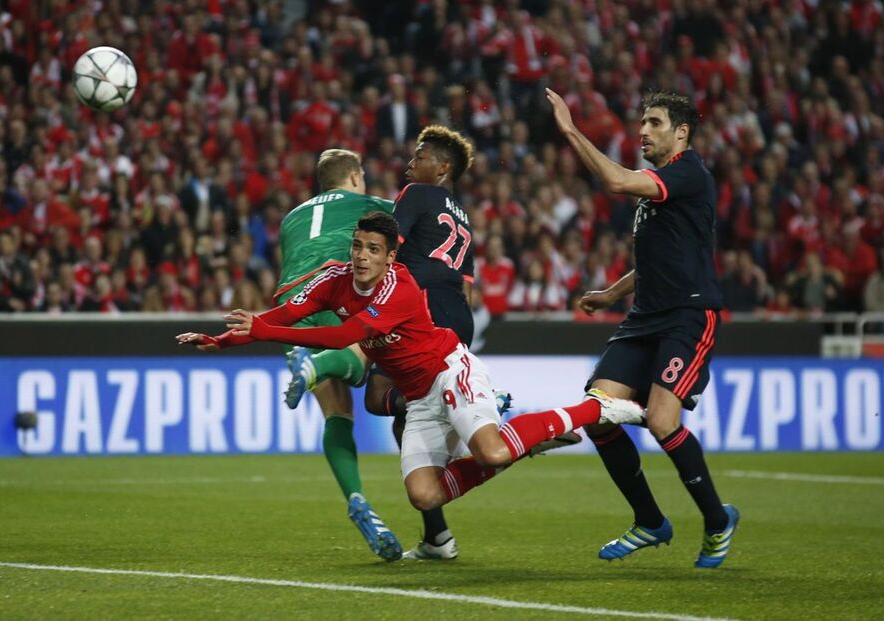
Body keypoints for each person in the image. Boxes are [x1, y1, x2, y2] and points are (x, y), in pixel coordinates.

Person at [178, 212, 646, 527]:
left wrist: (262, 330)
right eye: (357, 246)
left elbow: (344, 336)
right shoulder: (335, 279)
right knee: (424, 495)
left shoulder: (397, 289)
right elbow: (280, 316)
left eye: (372, 249)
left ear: (390, 257)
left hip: (449, 371)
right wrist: (222, 340)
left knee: (491, 451)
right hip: (419, 397)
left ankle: (595, 408)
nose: (361, 256)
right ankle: (519, 446)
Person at [178, 149, 403, 562]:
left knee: (337, 413)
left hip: (290, 303)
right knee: (361, 357)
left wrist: (220, 339)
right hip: (333, 288)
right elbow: (412, 228)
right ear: (355, 177)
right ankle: (316, 366)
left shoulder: (291, 218)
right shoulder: (373, 207)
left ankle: (356, 497)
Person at [546, 87, 740, 569]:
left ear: (682, 132)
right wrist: (613, 294)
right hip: (644, 318)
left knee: (661, 421)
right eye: (642, 122)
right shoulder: (661, 186)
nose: (643, 131)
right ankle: (650, 521)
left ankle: (717, 520)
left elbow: (615, 181)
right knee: (598, 416)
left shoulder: (688, 173)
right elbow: (663, 256)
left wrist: (570, 130)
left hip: (688, 316)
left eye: (654, 123)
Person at [284, 125, 490, 560]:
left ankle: (318, 370)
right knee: (395, 404)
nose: (409, 165)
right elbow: (462, 279)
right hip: (446, 309)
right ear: (354, 177)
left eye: (419, 157)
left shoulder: (294, 217)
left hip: (310, 298)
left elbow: (390, 241)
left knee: (362, 402)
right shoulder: (450, 214)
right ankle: (437, 535)